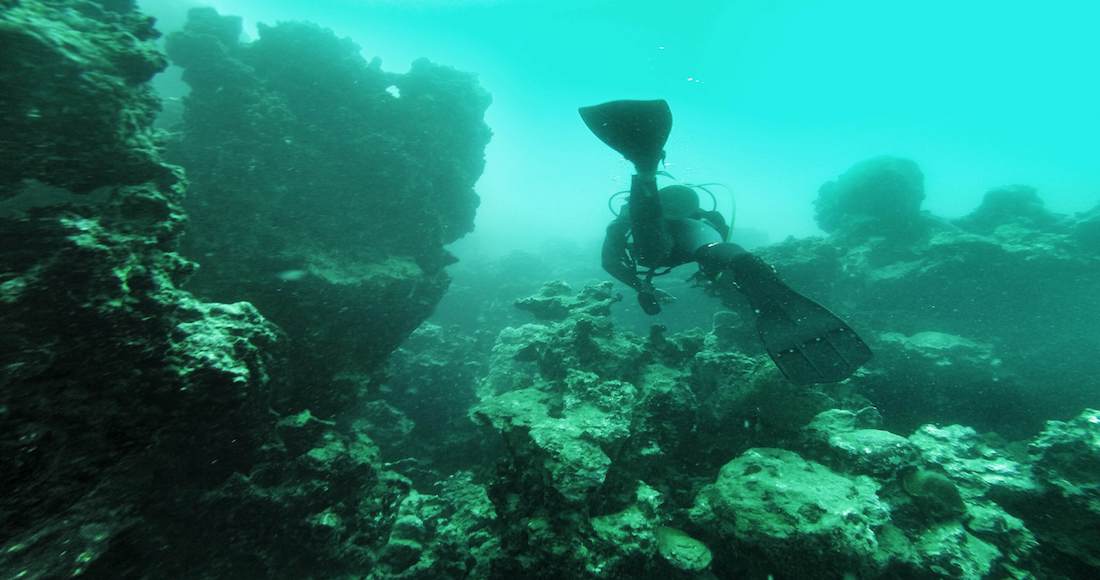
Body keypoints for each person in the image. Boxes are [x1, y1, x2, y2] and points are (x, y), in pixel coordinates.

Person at [580, 99, 872, 385]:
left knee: (653, 253)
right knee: (709, 249)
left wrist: (641, 286)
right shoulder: (697, 220)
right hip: (698, 239)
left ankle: (645, 170)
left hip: (667, 242)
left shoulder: (625, 221)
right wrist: (723, 267)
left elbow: (610, 261)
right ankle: (745, 262)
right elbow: (712, 240)